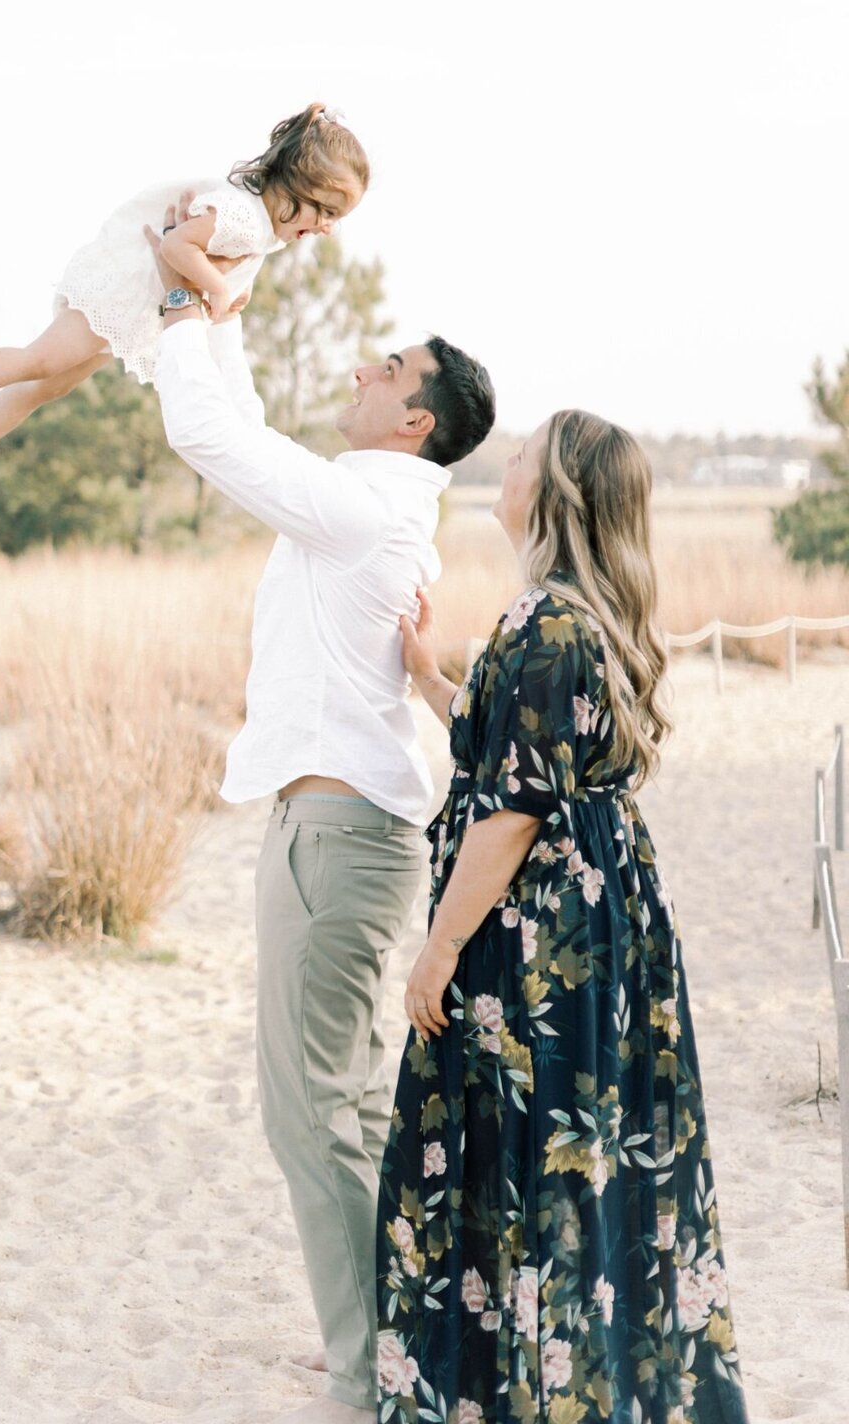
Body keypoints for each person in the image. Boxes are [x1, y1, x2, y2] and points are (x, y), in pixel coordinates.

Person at [143, 208, 496, 1423]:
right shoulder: (366, 502)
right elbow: (240, 434)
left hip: (337, 841)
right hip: (336, 836)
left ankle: (370, 1371)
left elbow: (204, 433)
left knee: (313, 1117)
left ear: (416, 420)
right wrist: (222, 321)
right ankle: (386, 1338)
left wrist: (189, 309)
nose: (362, 367)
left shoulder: (365, 511)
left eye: (389, 369)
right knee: (342, 1106)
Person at [378, 412, 749, 1423]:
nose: (506, 462)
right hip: (601, 922)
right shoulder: (582, 616)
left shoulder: (547, 622)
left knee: (528, 1148)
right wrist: (428, 677)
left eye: (525, 452)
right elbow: (519, 752)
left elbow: (511, 808)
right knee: (583, 1154)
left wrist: (440, 946)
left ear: (560, 493)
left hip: (541, 936)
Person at [0, 102, 367, 496]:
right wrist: (218, 289)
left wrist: (226, 292)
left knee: (50, 384)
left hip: (136, 310)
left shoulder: (264, 229)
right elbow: (178, 245)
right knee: (41, 360)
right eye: (325, 212)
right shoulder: (243, 216)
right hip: (122, 294)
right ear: (296, 186)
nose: (325, 228)